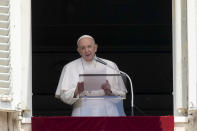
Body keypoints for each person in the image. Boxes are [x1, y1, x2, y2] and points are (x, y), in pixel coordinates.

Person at [55, 35, 127, 116]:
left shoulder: (110, 65)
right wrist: (77, 91)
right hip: (82, 113)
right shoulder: (69, 67)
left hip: (109, 113)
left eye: (89, 46)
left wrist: (110, 91)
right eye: (83, 48)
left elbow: (122, 95)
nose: (86, 50)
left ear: (95, 48)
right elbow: (64, 96)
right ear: (78, 50)